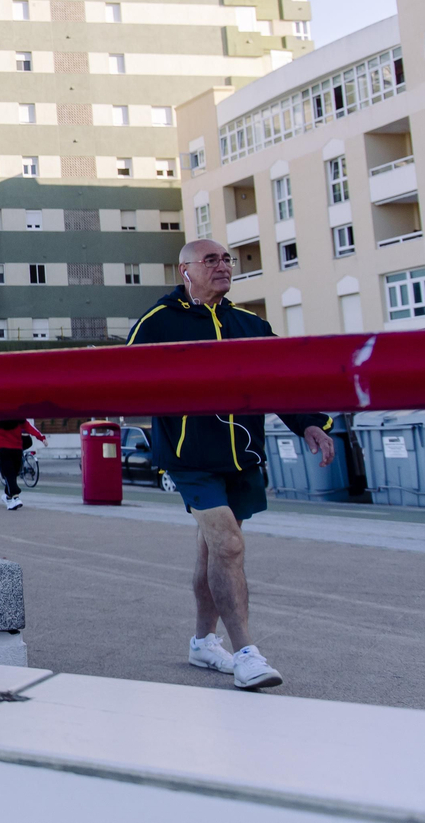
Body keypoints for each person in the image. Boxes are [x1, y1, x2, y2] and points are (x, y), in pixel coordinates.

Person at [127, 238, 333, 691]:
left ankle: (203, 642)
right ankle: (247, 654)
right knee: (230, 546)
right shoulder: (158, 323)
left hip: (241, 458)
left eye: (226, 259)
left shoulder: (250, 324)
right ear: (185, 271)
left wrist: (310, 425)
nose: (222, 266)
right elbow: (125, 379)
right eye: (210, 260)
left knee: (213, 551)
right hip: (189, 457)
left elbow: (281, 381)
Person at [0, 418, 45, 510]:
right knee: (10, 473)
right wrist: (41, 437)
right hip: (8, 449)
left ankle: (8, 497)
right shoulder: (11, 417)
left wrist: (41, 437)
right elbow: (29, 427)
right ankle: (15, 496)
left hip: (14, 448)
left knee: (13, 473)